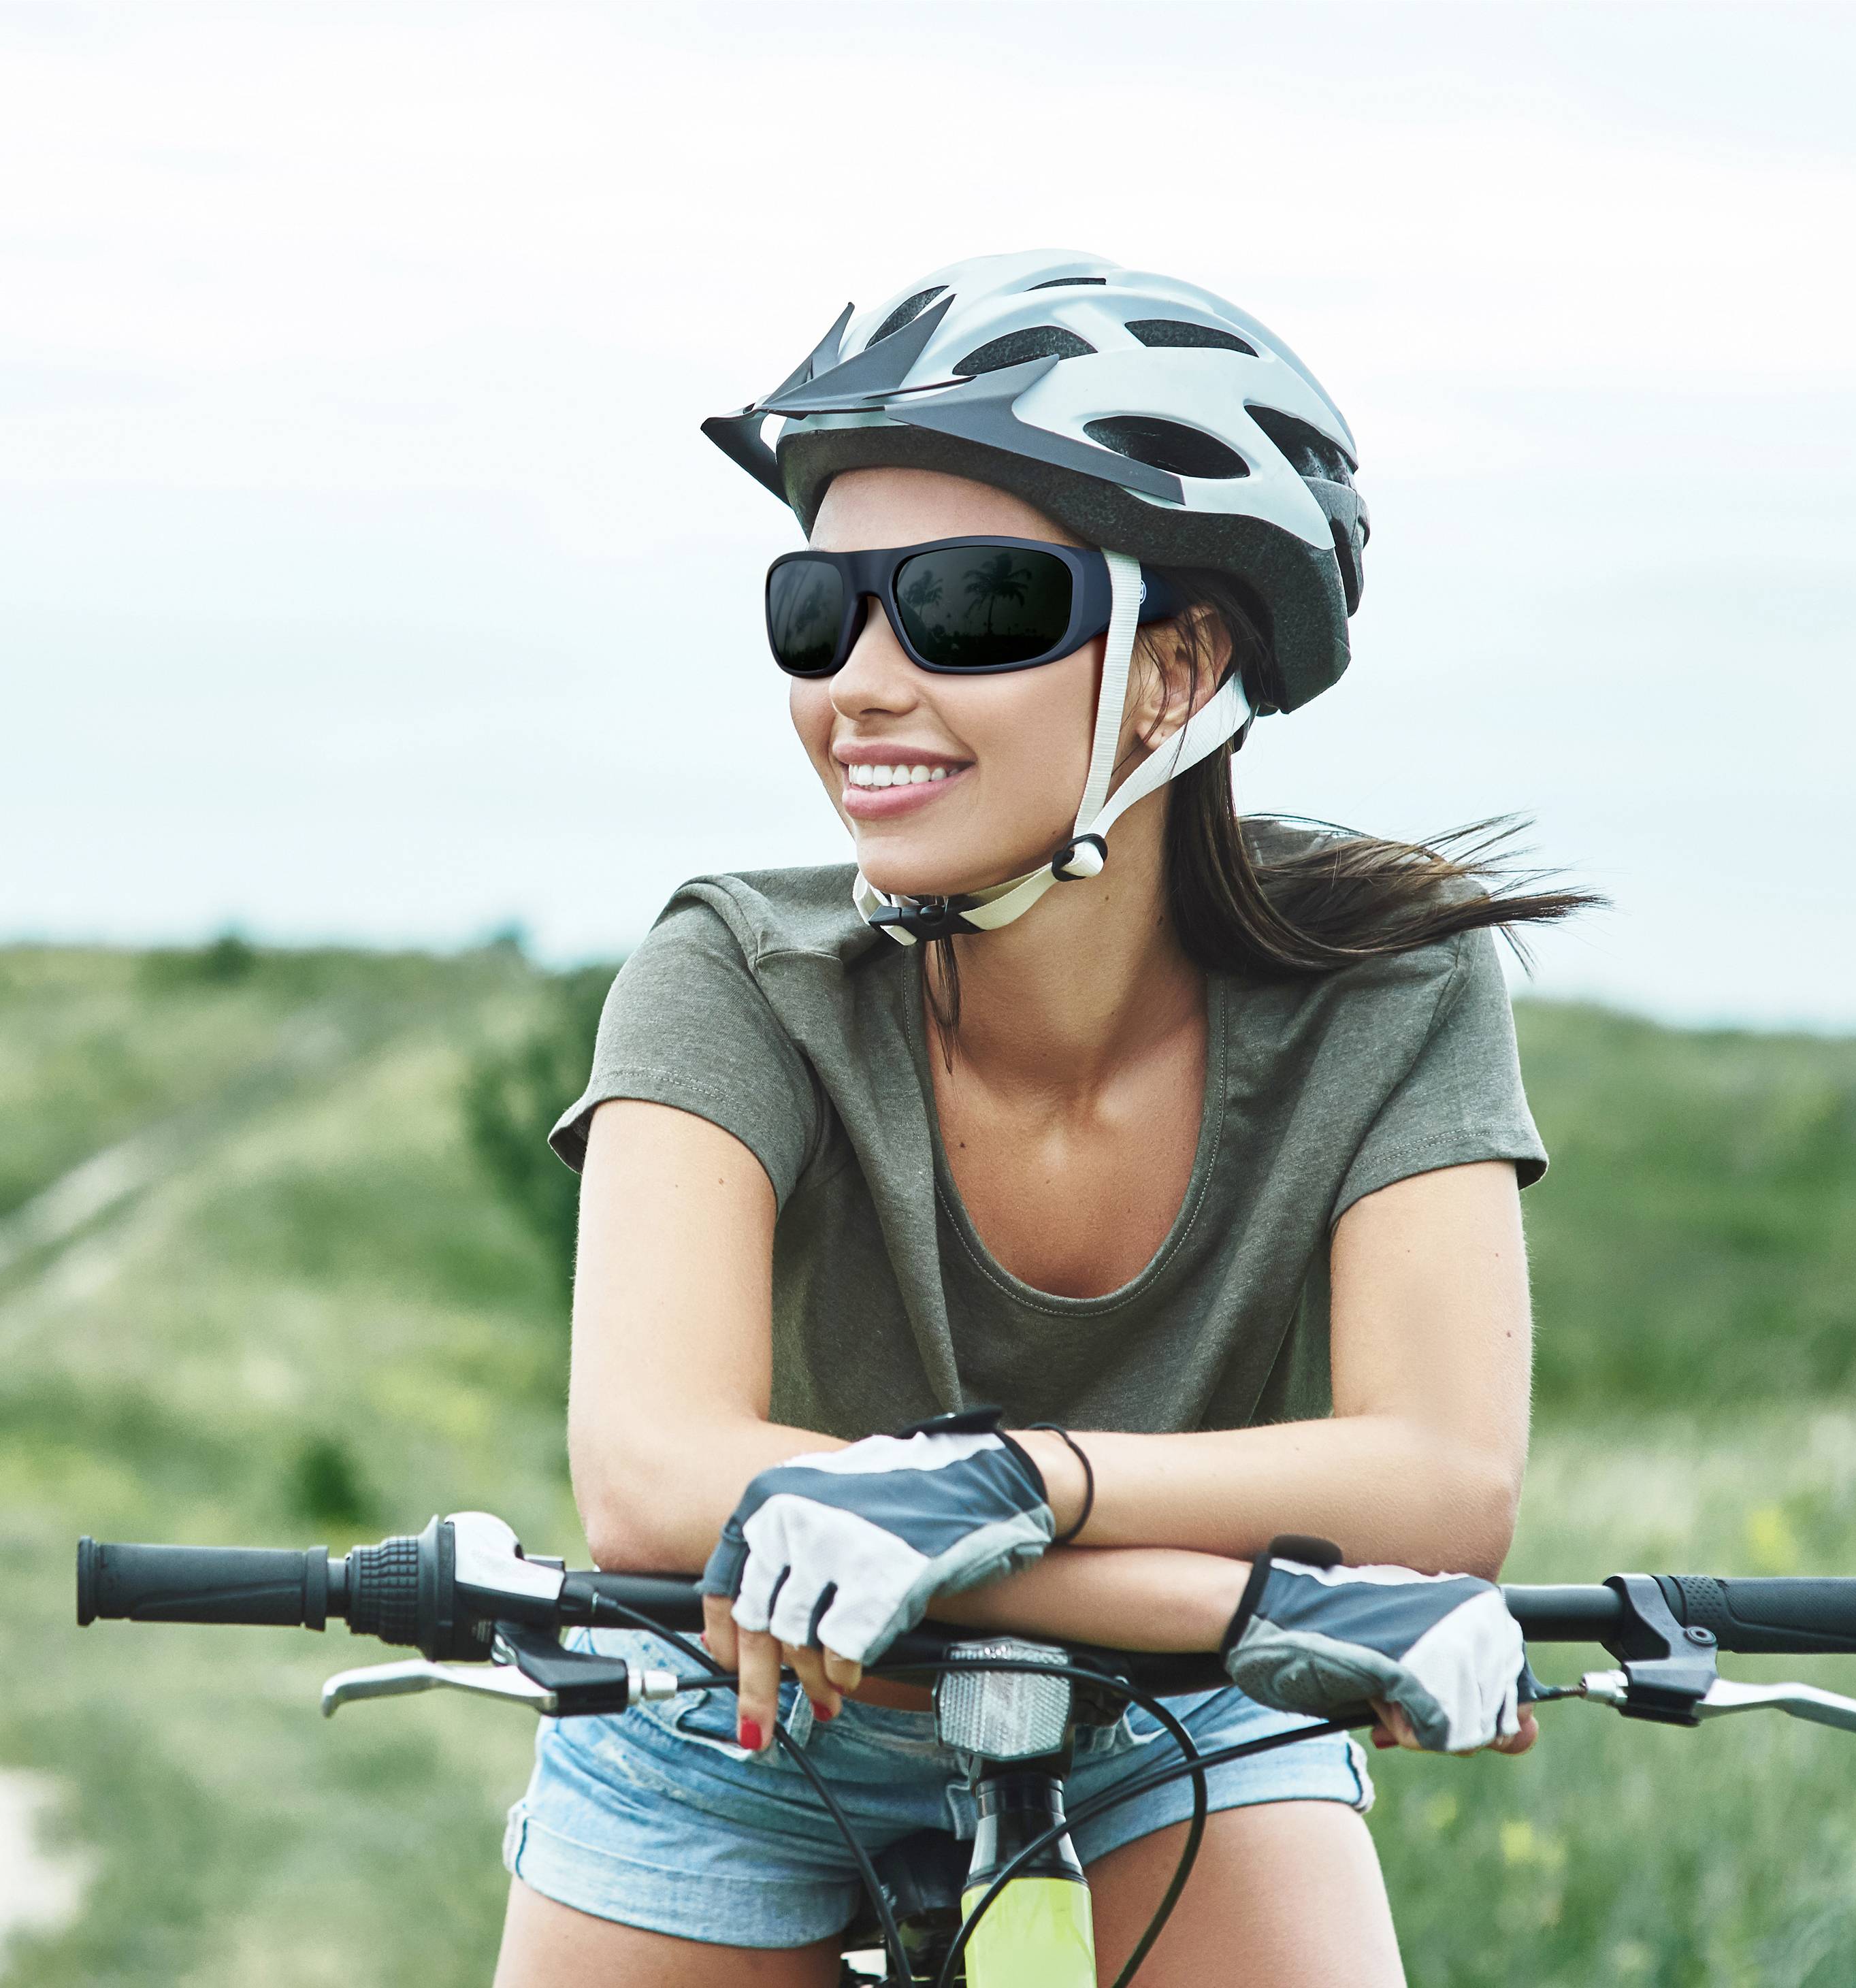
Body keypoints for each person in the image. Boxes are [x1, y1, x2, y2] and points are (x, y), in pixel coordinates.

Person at [493, 249, 1596, 1988]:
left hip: (1182, 1716)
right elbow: (652, 1485)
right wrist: (1241, 1600)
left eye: (970, 604)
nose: (859, 682)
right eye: (817, 609)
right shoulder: (731, 971)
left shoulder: (1387, 987)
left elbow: (1440, 1487)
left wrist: (1008, 1483)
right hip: (743, 1705)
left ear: (1176, 666)